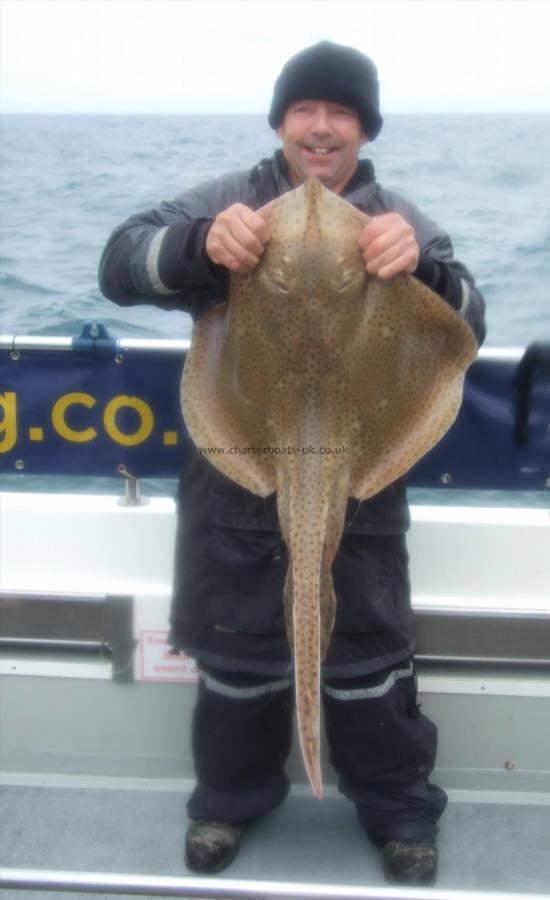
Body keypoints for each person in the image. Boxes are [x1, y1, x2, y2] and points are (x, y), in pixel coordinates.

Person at [99, 41, 486, 887]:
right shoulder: (228, 202)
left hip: (361, 476)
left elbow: (471, 323)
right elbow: (118, 265)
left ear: (363, 129)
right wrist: (202, 245)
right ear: (280, 122)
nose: (320, 127)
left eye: (340, 112)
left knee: (367, 666)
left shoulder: (400, 220)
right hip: (239, 468)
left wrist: (422, 267)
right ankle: (229, 800)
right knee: (236, 665)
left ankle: (398, 810)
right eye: (304, 110)